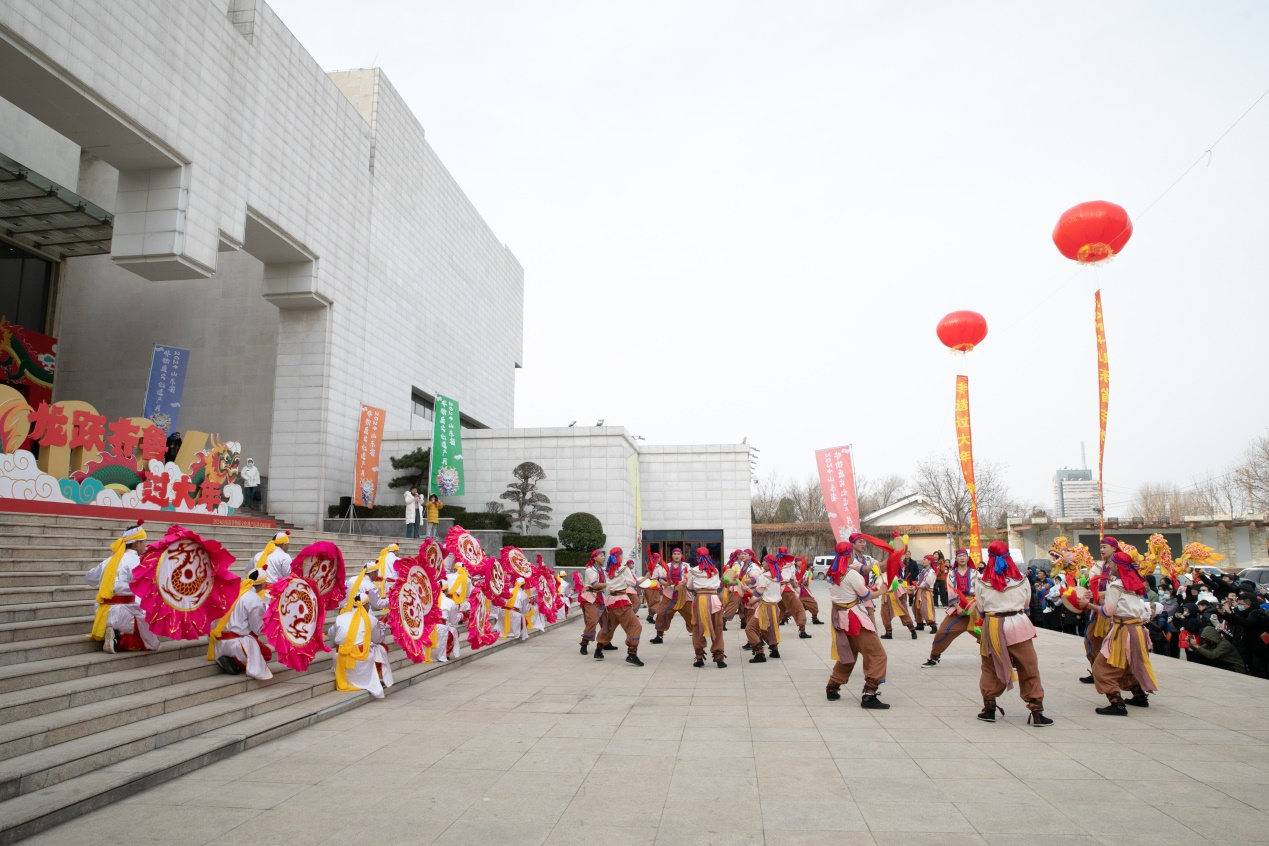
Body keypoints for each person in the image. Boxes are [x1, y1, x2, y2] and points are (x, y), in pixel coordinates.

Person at [975, 542, 1052, 726]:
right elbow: (1026, 607)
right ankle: (1037, 711)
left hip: (992, 624)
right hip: (1018, 624)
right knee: (1029, 666)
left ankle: (989, 708)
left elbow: (980, 609)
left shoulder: (980, 582)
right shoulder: (1022, 581)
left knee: (990, 667)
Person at [824, 538, 890, 709]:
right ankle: (869, 694)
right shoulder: (851, 574)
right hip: (854, 617)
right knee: (877, 654)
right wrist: (881, 590)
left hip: (839, 616)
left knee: (849, 653)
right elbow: (865, 595)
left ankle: (832, 687)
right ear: (850, 554)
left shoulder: (831, 573)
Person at [1092, 549, 1159, 716]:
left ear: (1117, 565)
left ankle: (1116, 703)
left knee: (1101, 668)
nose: (1109, 565)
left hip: (1123, 632)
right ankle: (1139, 695)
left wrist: (1087, 605)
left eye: (1112, 562)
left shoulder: (1115, 585)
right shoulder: (1134, 584)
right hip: (1138, 630)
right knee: (1129, 665)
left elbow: (1108, 612)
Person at [86, 523, 159, 653]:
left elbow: (89, 578)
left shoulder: (109, 561)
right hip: (124, 613)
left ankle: (111, 632)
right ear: (136, 543)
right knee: (152, 643)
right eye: (144, 542)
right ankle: (119, 639)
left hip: (102, 614)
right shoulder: (138, 561)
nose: (145, 546)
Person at [207, 567, 273, 679]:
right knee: (267, 654)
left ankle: (227, 656)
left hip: (216, 641)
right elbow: (257, 628)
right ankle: (234, 661)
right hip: (237, 643)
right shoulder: (254, 600)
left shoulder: (231, 591)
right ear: (263, 585)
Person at [331, 590, 394, 699]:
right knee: (381, 648)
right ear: (366, 605)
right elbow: (379, 639)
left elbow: (333, 636)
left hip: (341, 657)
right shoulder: (371, 619)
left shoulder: (340, 617)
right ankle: (375, 678)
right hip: (361, 658)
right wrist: (382, 625)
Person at [922, 549, 978, 668]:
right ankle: (934, 657)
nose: (962, 558)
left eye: (964, 556)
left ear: (968, 558)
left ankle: (1006, 658)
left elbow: (980, 591)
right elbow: (951, 591)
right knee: (943, 631)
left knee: (987, 635)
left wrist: (975, 605)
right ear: (956, 559)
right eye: (959, 556)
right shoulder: (952, 574)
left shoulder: (975, 573)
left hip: (974, 607)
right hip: (957, 607)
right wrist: (958, 608)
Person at [594, 547, 644, 666]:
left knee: (610, 626)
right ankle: (632, 653)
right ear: (619, 556)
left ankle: (598, 649)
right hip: (621, 602)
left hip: (610, 602)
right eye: (621, 555)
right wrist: (646, 577)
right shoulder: (624, 569)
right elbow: (634, 583)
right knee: (636, 626)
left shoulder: (606, 570)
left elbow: (605, 585)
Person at [1081, 537, 1118, 684]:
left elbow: (1118, 589)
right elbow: (1093, 585)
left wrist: (1099, 594)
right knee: (1090, 641)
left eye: (1105, 547)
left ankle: (1112, 675)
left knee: (1112, 645)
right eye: (1101, 547)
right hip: (1097, 610)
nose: (1102, 550)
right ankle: (1097, 671)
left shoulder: (1119, 566)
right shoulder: (1098, 566)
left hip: (1113, 612)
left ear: (1114, 548)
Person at [687, 547, 726, 668]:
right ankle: (719, 658)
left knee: (698, 627)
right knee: (717, 627)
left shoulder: (693, 571)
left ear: (697, 558)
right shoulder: (714, 570)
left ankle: (699, 658)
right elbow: (718, 584)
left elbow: (690, 587)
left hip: (700, 600)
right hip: (714, 599)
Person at [651, 548, 693, 643]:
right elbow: (661, 579)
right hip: (669, 595)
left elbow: (689, 578)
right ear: (672, 555)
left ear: (681, 555)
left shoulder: (686, 566)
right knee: (662, 613)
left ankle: (697, 634)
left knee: (691, 614)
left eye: (678, 554)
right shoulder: (666, 566)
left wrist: (683, 582)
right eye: (675, 554)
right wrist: (667, 584)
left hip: (683, 595)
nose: (677, 556)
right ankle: (659, 636)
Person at [745, 561, 782, 662]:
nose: (762, 563)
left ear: (768, 564)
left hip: (765, 607)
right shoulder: (778, 576)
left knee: (750, 629)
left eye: (764, 561)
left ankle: (759, 652)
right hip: (774, 607)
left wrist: (746, 589)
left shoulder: (764, 576)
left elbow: (758, 593)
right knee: (768, 629)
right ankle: (774, 650)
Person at [772, 548, 812, 639]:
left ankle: (771, 631)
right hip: (787, 589)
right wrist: (796, 584)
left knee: (779, 610)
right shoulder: (790, 563)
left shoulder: (776, 562)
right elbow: (792, 578)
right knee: (799, 609)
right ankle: (802, 630)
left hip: (777, 589)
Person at [578, 549, 606, 654]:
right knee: (592, 621)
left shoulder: (602, 570)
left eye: (604, 556)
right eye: (601, 556)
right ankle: (584, 643)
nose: (604, 557)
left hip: (601, 597)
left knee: (607, 623)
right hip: (591, 598)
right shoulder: (590, 570)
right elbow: (595, 585)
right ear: (595, 558)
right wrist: (609, 584)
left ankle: (604, 643)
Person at [794, 556, 823, 625]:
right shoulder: (792, 571)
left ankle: (814, 618)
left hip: (804, 590)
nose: (800, 562)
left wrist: (808, 580)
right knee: (790, 606)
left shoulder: (806, 572)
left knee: (813, 603)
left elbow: (810, 579)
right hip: (796, 590)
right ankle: (783, 618)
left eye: (801, 561)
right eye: (798, 561)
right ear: (795, 562)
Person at [913, 555, 938, 632]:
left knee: (926, 609)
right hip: (919, 591)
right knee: (916, 607)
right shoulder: (923, 571)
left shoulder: (931, 572)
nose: (923, 561)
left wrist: (916, 587)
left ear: (930, 561)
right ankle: (919, 624)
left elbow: (926, 585)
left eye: (925, 559)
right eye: (923, 559)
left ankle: (933, 625)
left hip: (926, 592)